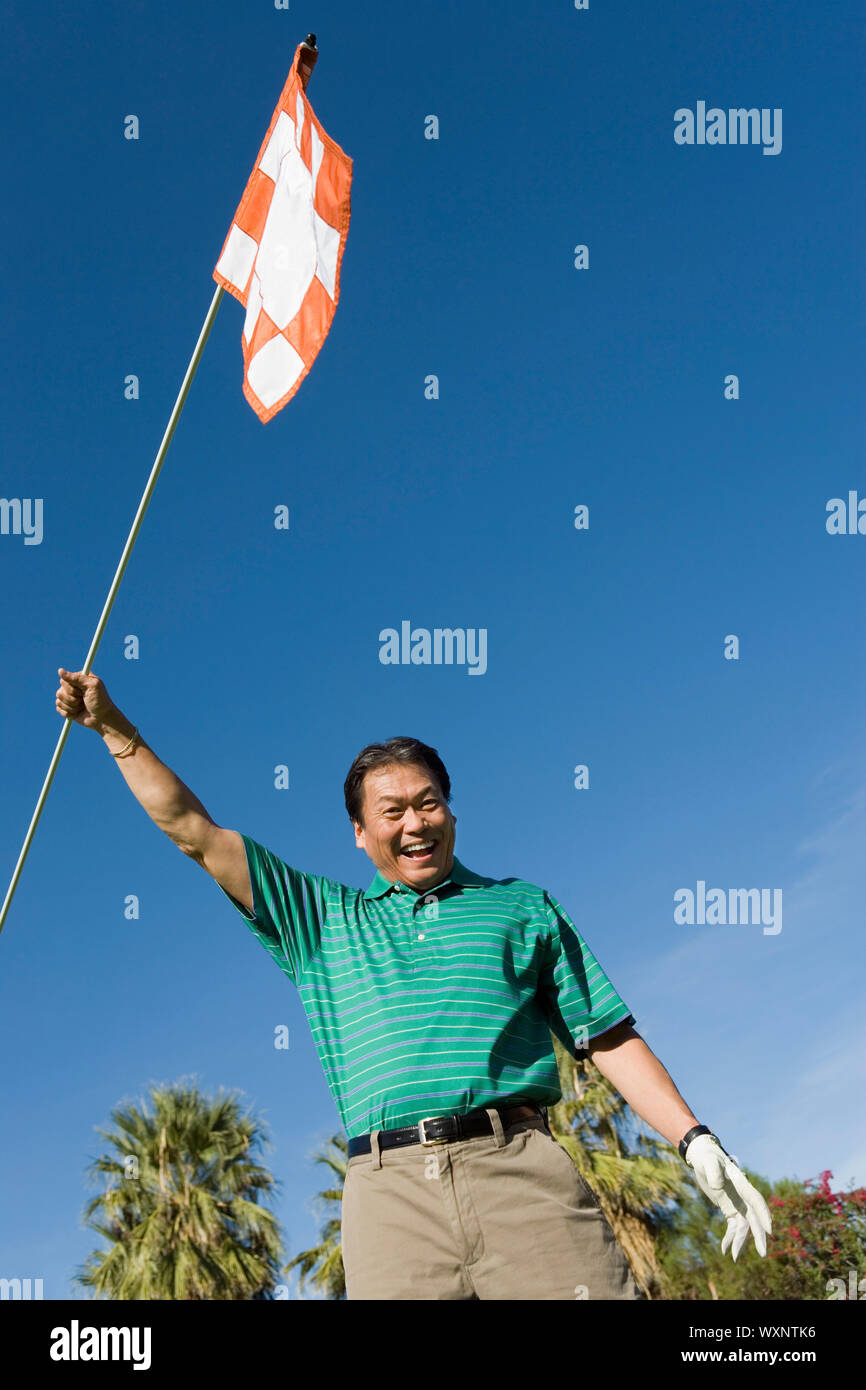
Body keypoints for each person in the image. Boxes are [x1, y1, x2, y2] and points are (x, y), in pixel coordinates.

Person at [55, 665, 772, 1301]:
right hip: (388, 1198)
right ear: (361, 836)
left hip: (521, 1174)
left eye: (428, 803)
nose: (414, 823)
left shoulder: (522, 906)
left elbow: (607, 1037)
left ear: (452, 812)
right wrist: (114, 727)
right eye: (391, 812)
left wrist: (693, 1138)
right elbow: (191, 829)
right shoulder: (319, 919)